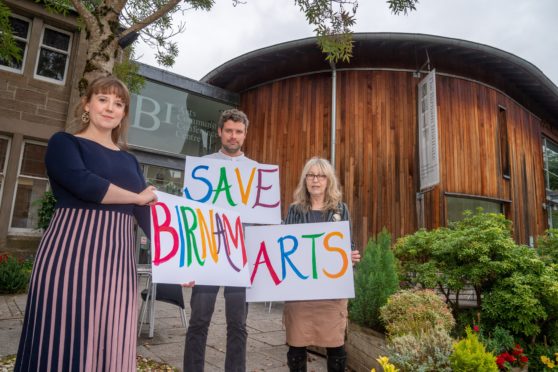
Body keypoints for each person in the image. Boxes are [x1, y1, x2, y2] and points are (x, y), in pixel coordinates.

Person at [15, 76, 157, 372]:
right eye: (103, 99)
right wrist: (137, 197)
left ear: (124, 114)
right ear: (87, 103)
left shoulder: (130, 161)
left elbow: (147, 216)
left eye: (118, 103)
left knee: (113, 336)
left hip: (117, 264)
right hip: (69, 258)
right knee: (61, 337)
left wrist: (181, 262)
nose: (110, 108)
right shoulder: (64, 143)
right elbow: (85, 184)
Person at [183, 108, 256, 372]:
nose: (233, 136)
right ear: (220, 132)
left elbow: (262, 220)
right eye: (229, 131)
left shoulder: (257, 172)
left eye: (238, 132)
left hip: (240, 258)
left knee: (238, 324)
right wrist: (188, 261)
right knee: (199, 321)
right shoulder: (203, 167)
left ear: (245, 135)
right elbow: (189, 215)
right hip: (207, 253)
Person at [283, 157, 361, 372]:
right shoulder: (294, 210)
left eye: (320, 176)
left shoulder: (340, 209)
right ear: (305, 180)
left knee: (336, 345)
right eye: (311, 175)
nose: (315, 180)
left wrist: (351, 255)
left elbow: (347, 243)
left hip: (331, 291)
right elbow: (285, 244)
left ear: (329, 181)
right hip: (300, 290)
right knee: (296, 344)